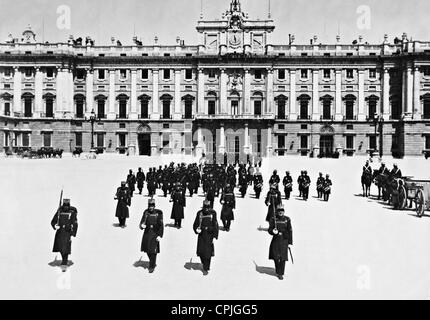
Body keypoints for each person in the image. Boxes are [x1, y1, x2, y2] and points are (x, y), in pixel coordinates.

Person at [51, 199, 78, 272]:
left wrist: (73, 232)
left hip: (67, 232)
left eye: (67, 205)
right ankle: (64, 260)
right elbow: (53, 221)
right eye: (64, 205)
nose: (66, 206)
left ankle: (64, 263)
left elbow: (75, 223)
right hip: (59, 232)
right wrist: (55, 226)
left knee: (65, 248)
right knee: (60, 247)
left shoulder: (72, 212)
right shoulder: (59, 211)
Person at [193, 200, 219, 275]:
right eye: (205, 207)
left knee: (208, 252)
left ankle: (206, 267)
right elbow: (196, 223)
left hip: (210, 235)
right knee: (201, 252)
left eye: (208, 207)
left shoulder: (213, 213)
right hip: (201, 235)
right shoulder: (199, 213)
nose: (206, 209)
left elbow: (215, 225)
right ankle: (204, 263)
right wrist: (196, 229)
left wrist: (215, 236)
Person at [268, 204, 293, 280]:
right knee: (275, 256)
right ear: (277, 212)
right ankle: (277, 269)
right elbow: (270, 229)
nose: (280, 212)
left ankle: (280, 273)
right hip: (276, 240)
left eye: (282, 211)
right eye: (279, 211)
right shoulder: (273, 219)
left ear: (284, 211)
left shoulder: (287, 219)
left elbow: (290, 230)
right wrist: (273, 231)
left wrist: (289, 241)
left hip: (284, 240)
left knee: (283, 258)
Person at [140, 199, 164, 273]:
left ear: (154, 206)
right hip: (147, 233)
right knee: (147, 250)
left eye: (152, 206)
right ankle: (152, 261)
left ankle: (151, 266)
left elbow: (161, 225)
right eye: (149, 206)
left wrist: (160, 235)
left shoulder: (158, 213)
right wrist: (141, 225)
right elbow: (142, 221)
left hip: (155, 233)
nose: (150, 207)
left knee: (153, 250)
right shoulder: (146, 212)